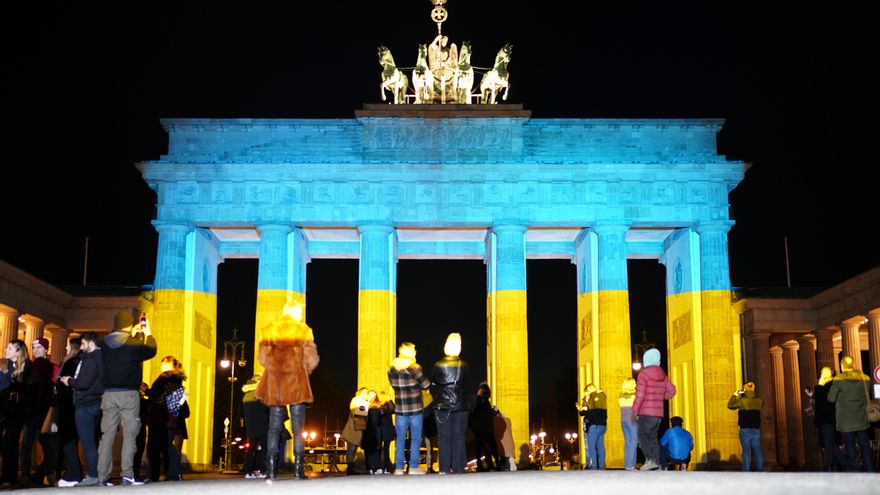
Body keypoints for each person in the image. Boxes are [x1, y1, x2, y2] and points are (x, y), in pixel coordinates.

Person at [254, 300, 319, 483]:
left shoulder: (269, 330)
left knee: (274, 427)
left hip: (275, 382)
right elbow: (311, 358)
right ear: (295, 312)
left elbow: (262, 358)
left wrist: (275, 367)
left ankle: (271, 471)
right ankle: (298, 470)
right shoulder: (304, 330)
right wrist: (304, 370)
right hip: (297, 381)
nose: (301, 315)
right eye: (300, 312)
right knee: (298, 428)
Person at [97, 310, 157, 486]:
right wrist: (147, 333)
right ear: (129, 325)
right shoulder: (132, 344)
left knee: (107, 436)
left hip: (108, 394)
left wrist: (133, 333)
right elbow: (151, 350)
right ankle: (127, 475)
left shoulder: (104, 344)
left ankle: (102, 476)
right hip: (129, 394)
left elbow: (117, 345)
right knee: (130, 436)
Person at [60, 332, 104, 487]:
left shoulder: (91, 359)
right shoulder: (101, 357)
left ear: (91, 343)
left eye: (83, 344)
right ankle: (98, 474)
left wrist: (69, 381)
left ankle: (94, 475)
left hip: (86, 404)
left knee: (88, 443)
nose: (81, 348)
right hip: (96, 402)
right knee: (92, 442)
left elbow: (83, 383)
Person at [430, 332, 473, 474]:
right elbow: (468, 385)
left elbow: (433, 384)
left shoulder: (438, 365)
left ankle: (444, 468)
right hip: (461, 405)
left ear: (445, 347)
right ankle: (458, 467)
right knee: (459, 436)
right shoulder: (464, 366)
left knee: (444, 437)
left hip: (442, 405)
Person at [387, 342, 431, 475]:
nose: (415, 352)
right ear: (409, 352)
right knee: (416, 438)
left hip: (400, 410)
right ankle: (413, 467)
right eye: (414, 350)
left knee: (400, 439)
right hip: (415, 408)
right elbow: (426, 385)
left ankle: (399, 468)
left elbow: (393, 385)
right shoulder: (415, 368)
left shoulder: (391, 369)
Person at [828, 356, 874, 472]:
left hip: (846, 421)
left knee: (850, 448)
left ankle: (855, 472)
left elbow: (831, 398)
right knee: (865, 447)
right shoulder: (865, 378)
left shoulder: (839, 380)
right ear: (853, 365)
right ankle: (870, 471)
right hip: (862, 419)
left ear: (842, 366)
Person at [632, 348, 676, 471]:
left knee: (642, 435)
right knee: (653, 437)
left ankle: (650, 460)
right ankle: (657, 462)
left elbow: (640, 394)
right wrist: (661, 397)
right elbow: (672, 390)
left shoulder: (643, 374)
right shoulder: (663, 375)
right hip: (658, 414)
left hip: (645, 413)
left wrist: (635, 410)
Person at [147, 356, 188, 482]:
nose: (161, 366)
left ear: (170, 365)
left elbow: (156, 394)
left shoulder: (165, 377)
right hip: (170, 417)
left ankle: (160, 474)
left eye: (164, 363)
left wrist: (146, 390)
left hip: (161, 417)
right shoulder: (176, 378)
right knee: (167, 447)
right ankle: (173, 473)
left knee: (157, 447)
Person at [21, 337, 55, 485]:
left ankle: (28, 473)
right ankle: (42, 471)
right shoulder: (44, 365)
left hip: (35, 410)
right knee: (43, 444)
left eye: (39, 347)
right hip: (40, 410)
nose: (35, 350)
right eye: (33, 347)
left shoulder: (37, 366)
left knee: (29, 443)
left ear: (46, 349)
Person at [1, 340, 34, 487]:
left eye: (9, 348)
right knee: (6, 443)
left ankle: (9, 478)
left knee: (11, 443)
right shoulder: (3, 364)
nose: (5, 350)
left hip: (17, 411)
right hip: (3, 408)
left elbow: (29, 390)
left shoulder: (28, 368)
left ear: (18, 351)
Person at [52, 337, 83, 487]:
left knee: (67, 440)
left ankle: (73, 473)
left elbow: (63, 383)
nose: (65, 348)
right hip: (74, 405)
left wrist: (58, 384)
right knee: (70, 440)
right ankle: (74, 472)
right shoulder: (78, 362)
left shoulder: (71, 362)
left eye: (67, 346)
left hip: (67, 405)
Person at [813, 367, 848, 471]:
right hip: (831, 418)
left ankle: (832, 465)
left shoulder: (828, 387)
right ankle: (839, 464)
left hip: (827, 418)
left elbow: (821, 403)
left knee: (829, 444)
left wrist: (819, 385)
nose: (820, 375)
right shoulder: (831, 386)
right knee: (830, 443)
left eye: (822, 373)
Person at [727, 381, 764, 471]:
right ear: (753, 388)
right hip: (756, 429)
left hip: (745, 429)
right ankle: (760, 471)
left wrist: (735, 394)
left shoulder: (742, 400)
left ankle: (746, 471)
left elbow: (730, 405)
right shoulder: (759, 400)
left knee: (746, 452)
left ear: (744, 389)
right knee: (758, 452)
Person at [469, 382, 500, 472]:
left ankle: (483, 465)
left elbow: (473, 413)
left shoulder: (478, 400)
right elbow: (486, 413)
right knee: (491, 446)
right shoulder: (482, 400)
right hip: (484, 428)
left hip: (479, 428)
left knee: (480, 447)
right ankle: (495, 464)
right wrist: (494, 412)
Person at [242, 374, 269, 478]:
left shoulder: (246, 396)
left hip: (251, 427)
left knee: (251, 450)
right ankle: (263, 471)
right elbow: (266, 409)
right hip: (262, 426)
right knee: (264, 449)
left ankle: (248, 472)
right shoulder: (260, 395)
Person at [341, 387, 370, 475]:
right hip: (354, 426)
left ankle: (351, 467)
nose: (365, 394)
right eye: (364, 392)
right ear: (359, 392)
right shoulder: (357, 400)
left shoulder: (361, 400)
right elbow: (360, 411)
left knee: (353, 448)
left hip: (357, 426)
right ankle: (350, 468)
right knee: (352, 448)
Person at [580, 383, 607, 470]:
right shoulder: (602, 396)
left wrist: (586, 409)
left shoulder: (594, 397)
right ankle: (602, 466)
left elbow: (595, 411)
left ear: (590, 389)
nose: (587, 393)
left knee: (591, 446)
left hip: (594, 425)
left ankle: (594, 465)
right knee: (600, 446)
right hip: (602, 425)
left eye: (587, 391)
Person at [618, 377, 639, 471]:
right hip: (632, 419)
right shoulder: (635, 395)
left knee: (628, 443)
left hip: (623, 419)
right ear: (630, 385)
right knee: (634, 441)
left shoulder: (620, 395)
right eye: (634, 383)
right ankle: (631, 465)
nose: (636, 384)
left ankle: (628, 465)